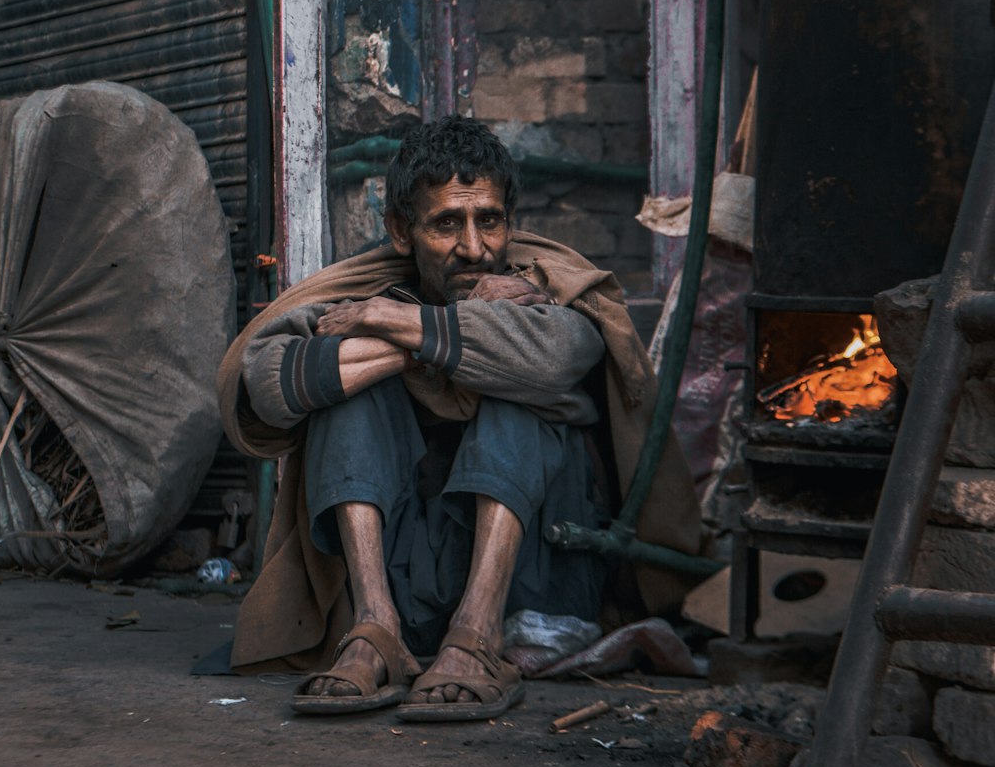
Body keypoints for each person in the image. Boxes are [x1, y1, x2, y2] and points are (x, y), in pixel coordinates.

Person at [218, 116, 701, 721]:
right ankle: (374, 630)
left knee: (514, 387)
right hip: (409, 578)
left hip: (533, 589)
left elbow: (555, 360)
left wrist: (390, 329)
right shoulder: (365, 294)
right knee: (351, 397)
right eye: (448, 223)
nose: (475, 248)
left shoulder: (545, 289)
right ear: (401, 230)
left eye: (489, 221)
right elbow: (268, 383)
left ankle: (477, 634)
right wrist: (429, 340)